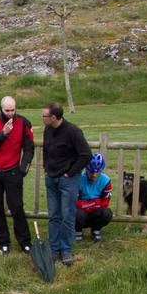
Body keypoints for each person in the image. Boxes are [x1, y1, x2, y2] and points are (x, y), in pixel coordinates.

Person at [0, 96, 35, 254]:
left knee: (17, 207)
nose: (10, 113)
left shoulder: (24, 123)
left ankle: (25, 242)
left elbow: (29, 148)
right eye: (7, 110)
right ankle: (3, 242)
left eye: (12, 110)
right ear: (1, 109)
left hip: (12, 171)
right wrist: (2, 134)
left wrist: (23, 169)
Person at [40, 103, 91, 267]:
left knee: (68, 215)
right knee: (54, 215)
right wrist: (46, 168)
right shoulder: (48, 130)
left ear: (54, 117)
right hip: (51, 178)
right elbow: (46, 151)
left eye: (44, 116)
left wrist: (70, 172)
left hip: (68, 180)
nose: (42, 118)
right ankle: (54, 250)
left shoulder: (73, 132)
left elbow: (85, 155)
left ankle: (66, 249)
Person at [75, 153, 113, 243]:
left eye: (97, 172)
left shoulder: (106, 180)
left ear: (101, 170)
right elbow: (73, 201)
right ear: (86, 169)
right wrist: (94, 203)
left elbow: (105, 202)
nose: (94, 175)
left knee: (107, 213)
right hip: (81, 213)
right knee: (76, 213)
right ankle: (77, 231)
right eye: (91, 172)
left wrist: (86, 204)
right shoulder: (79, 179)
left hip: (94, 212)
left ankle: (96, 230)